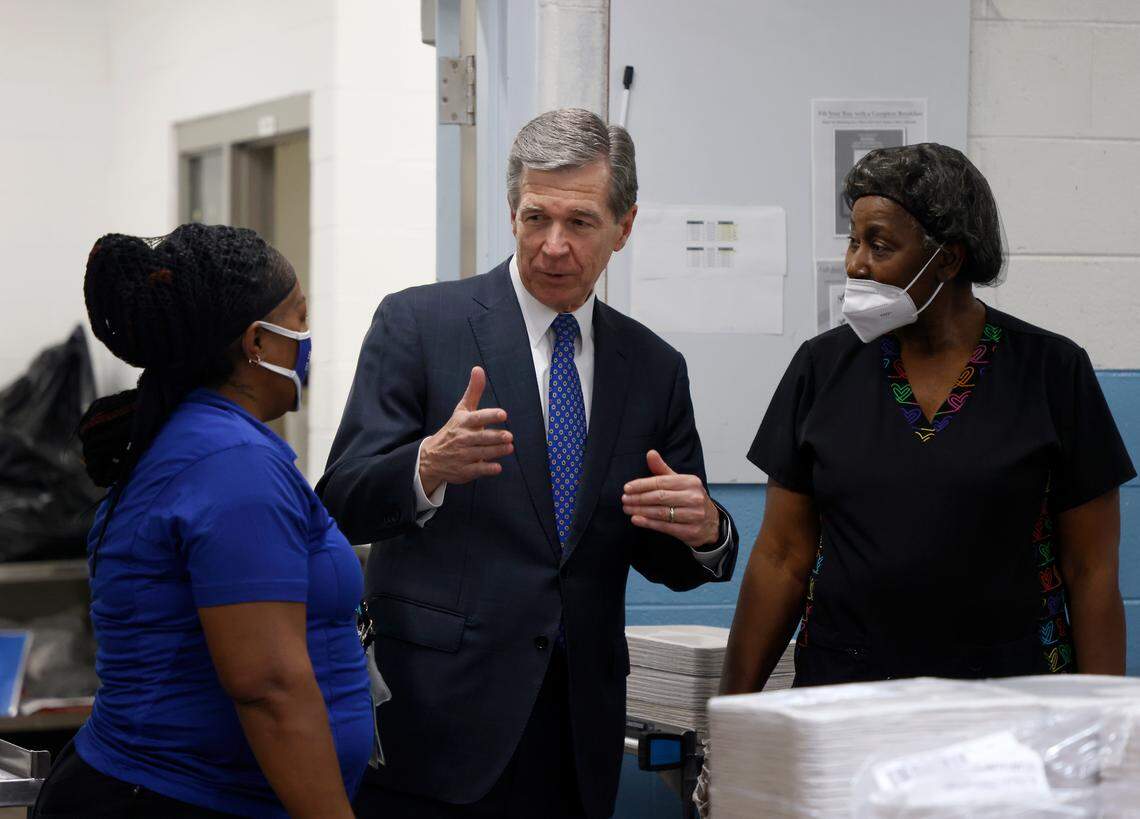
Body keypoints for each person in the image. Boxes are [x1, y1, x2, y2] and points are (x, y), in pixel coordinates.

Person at [317, 107, 740, 818]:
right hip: (438, 722)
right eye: (535, 217)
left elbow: (660, 548)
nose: (552, 245)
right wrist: (427, 465)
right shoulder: (421, 325)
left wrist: (705, 531)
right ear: (511, 210)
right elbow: (340, 498)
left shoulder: (653, 367)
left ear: (624, 227)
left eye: (579, 223)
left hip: (577, 729)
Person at [720, 143, 1135, 694]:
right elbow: (780, 558)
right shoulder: (822, 367)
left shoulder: (1051, 371)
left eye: (879, 244)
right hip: (847, 691)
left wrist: (1104, 729)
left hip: (1010, 700)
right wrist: (730, 718)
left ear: (949, 258)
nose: (856, 263)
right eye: (853, 240)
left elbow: (1091, 571)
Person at [33, 225, 371, 818]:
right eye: (299, 317)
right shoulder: (230, 463)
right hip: (174, 797)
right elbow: (268, 689)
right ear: (257, 343)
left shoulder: (199, 439)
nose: (307, 338)